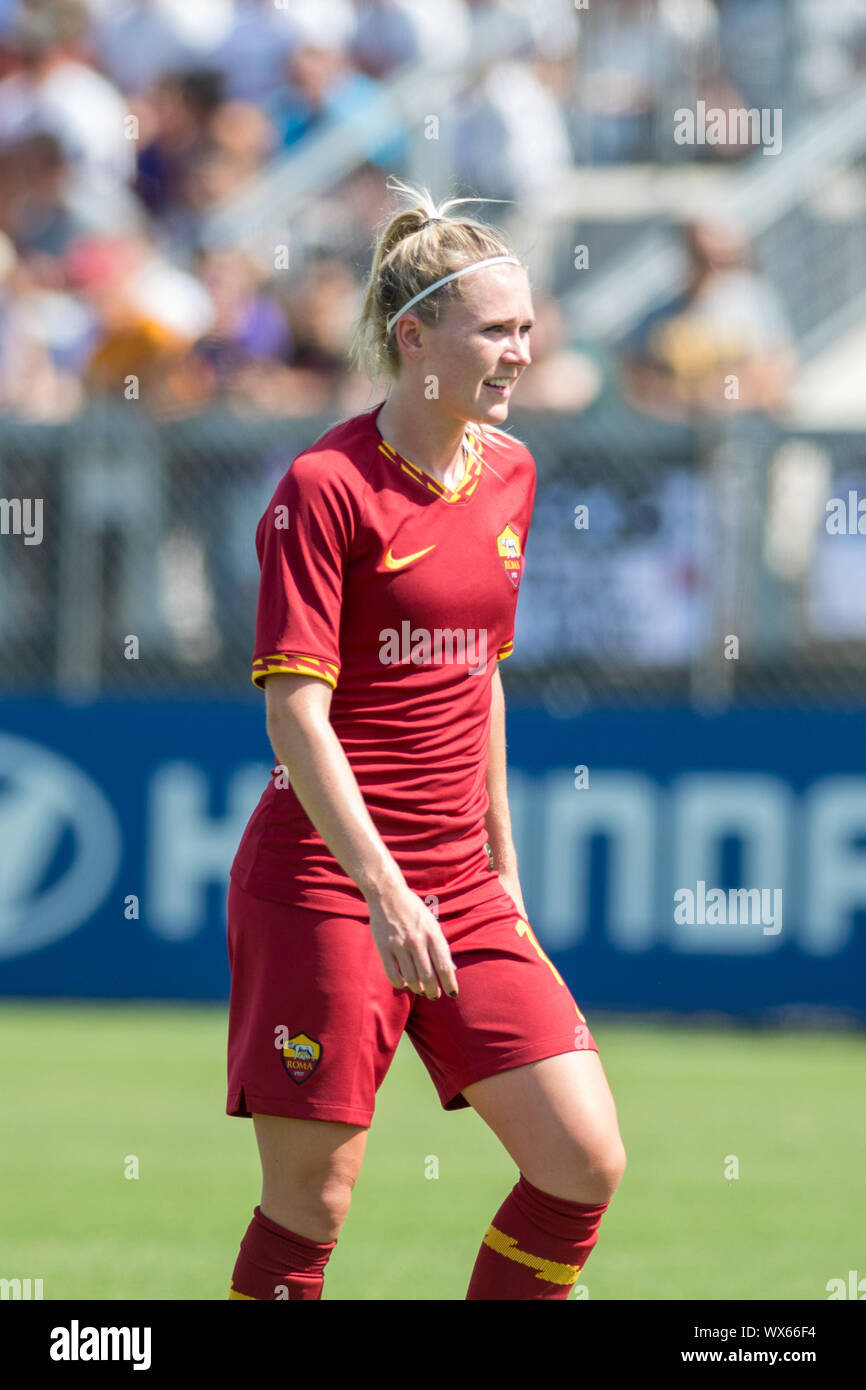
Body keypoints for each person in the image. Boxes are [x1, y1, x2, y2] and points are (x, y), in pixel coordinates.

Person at [225, 176, 626, 1301]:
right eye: (495, 329)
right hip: (327, 880)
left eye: (528, 329)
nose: (520, 352)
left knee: (581, 1159)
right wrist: (383, 890)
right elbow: (294, 711)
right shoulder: (323, 488)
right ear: (414, 338)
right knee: (314, 1204)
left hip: (458, 881)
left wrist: (499, 872)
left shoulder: (509, 472)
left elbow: (481, 677)